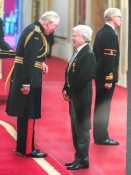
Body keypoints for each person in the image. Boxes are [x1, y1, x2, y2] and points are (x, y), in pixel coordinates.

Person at [6, 11, 60, 158]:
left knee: (23, 114)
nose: (55, 29)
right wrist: (26, 83)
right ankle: (28, 149)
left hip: (24, 74)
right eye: (55, 26)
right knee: (29, 114)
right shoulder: (36, 34)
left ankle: (21, 147)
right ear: (48, 22)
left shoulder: (32, 28)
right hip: (29, 79)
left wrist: (40, 63)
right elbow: (29, 60)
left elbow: (30, 56)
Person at [62, 25, 96, 170]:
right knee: (75, 127)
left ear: (84, 38)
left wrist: (70, 91)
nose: (72, 38)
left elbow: (82, 78)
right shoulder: (78, 52)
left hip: (82, 95)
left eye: (75, 35)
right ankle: (78, 157)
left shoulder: (88, 54)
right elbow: (70, 72)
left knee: (82, 127)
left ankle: (83, 160)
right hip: (75, 94)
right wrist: (65, 87)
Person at [93, 8, 122, 145]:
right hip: (106, 77)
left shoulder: (101, 31)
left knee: (100, 105)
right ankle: (102, 137)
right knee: (104, 106)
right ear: (111, 18)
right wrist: (109, 79)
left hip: (100, 75)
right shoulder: (110, 34)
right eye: (119, 17)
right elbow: (109, 59)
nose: (121, 19)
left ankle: (99, 135)